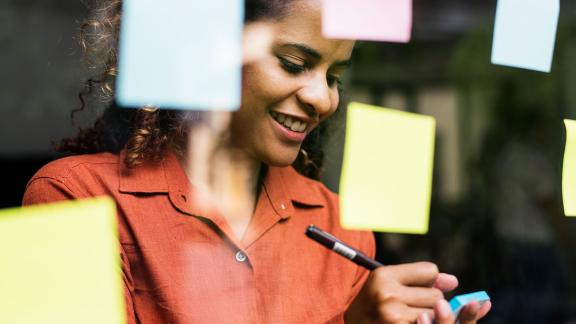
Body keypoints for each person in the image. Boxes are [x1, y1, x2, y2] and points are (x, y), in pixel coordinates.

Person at [23, 0, 491, 323]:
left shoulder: (338, 221)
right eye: (293, 63)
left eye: (335, 76)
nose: (321, 98)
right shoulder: (68, 200)